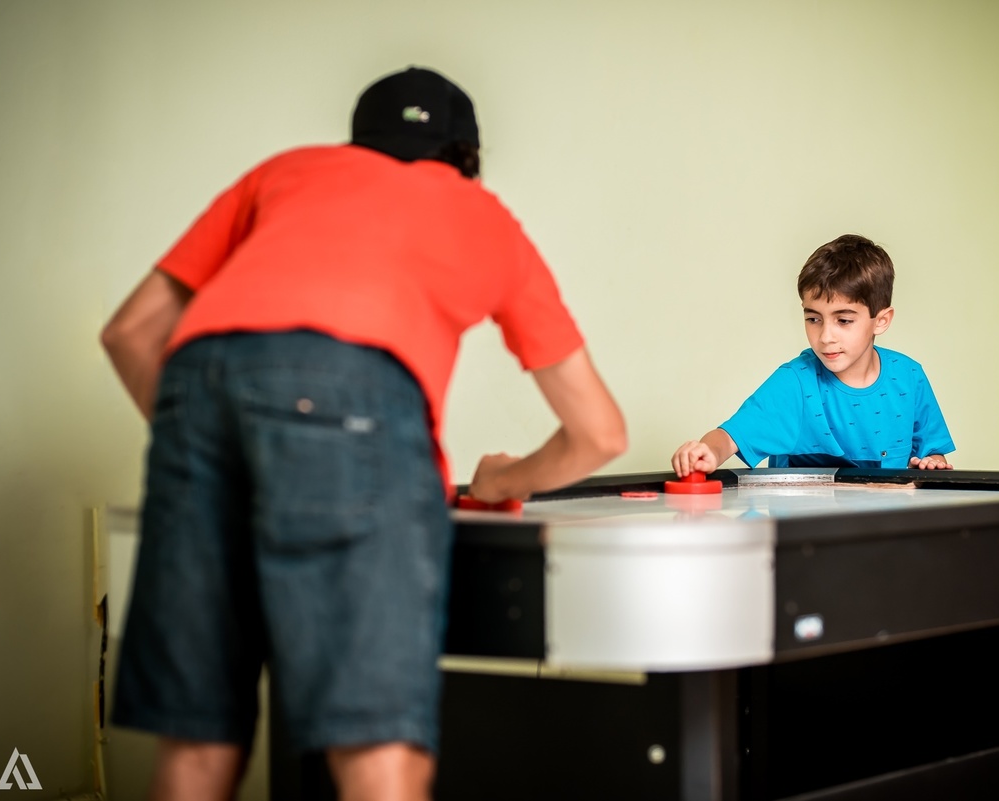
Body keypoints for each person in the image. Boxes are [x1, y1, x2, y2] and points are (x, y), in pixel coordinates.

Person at [101, 66, 626, 801]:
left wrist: (227, 451)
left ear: (357, 143)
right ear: (466, 161)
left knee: (197, 741)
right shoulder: (480, 213)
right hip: (350, 398)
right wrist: (500, 480)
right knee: (379, 748)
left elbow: (130, 333)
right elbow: (600, 432)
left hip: (198, 391)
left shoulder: (285, 174)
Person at [671, 233, 953, 477]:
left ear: (881, 320)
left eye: (843, 320)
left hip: (883, 533)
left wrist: (934, 464)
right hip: (805, 535)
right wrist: (705, 451)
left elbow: (932, 454)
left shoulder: (909, 376)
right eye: (814, 319)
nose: (825, 336)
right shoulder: (795, 382)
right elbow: (729, 437)